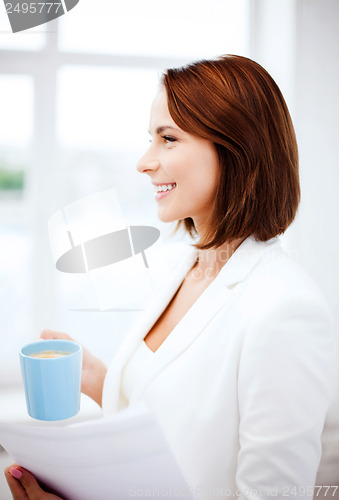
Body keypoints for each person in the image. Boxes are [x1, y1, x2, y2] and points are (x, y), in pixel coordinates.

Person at [5, 54, 335, 499]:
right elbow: (184, 429)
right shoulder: (186, 266)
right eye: (151, 138)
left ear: (236, 148)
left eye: (167, 139)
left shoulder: (285, 308)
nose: (144, 162)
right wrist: (103, 381)